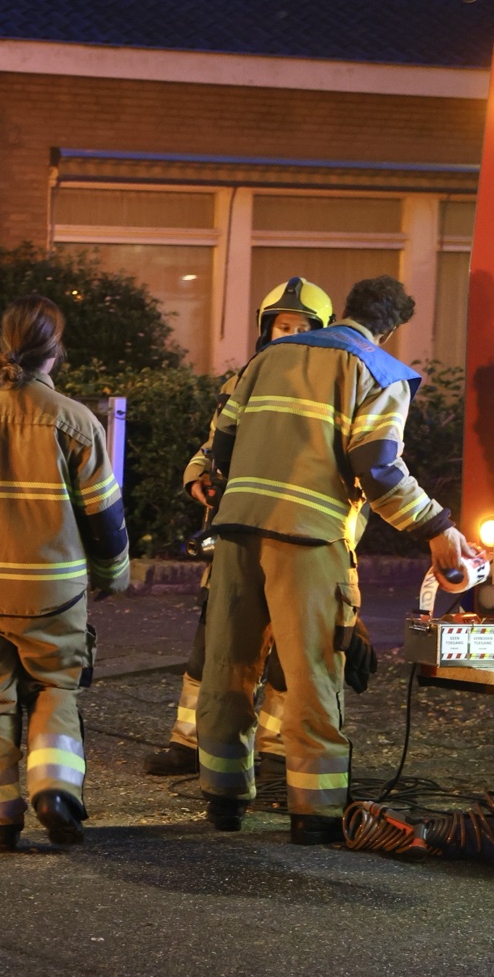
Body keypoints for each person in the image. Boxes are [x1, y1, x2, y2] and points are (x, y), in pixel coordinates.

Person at [197, 276, 474, 844]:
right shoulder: (379, 371)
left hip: (235, 530)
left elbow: (220, 443)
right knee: (313, 675)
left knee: (228, 666)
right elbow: (378, 468)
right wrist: (439, 529)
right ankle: (315, 813)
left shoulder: (267, 358)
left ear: (344, 310)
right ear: (392, 327)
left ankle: (223, 800)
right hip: (308, 540)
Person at [0, 295, 130, 852]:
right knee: (56, 689)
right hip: (52, 594)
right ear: (54, 351)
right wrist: (113, 574)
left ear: (1, 345)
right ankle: (55, 792)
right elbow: (105, 520)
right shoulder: (77, 423)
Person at [144, 278, 335, 777]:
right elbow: (212, 448)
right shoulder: (241, 382)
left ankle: (274, 748)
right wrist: (197, 479)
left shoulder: (334, 386)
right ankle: (191, 742)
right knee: (212, 645)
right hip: (236, 537)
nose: (289, 336)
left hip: (299, 540)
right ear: (264, 330)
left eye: (301, 328)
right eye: (281, 326)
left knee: (288, 657)